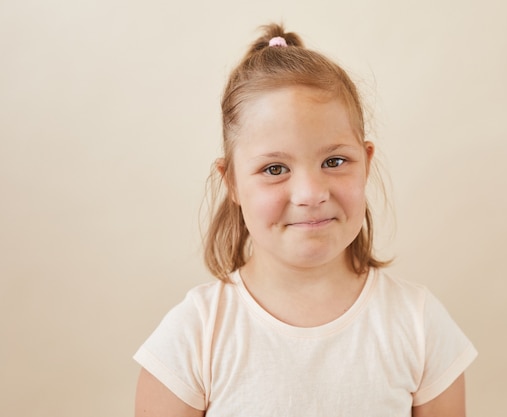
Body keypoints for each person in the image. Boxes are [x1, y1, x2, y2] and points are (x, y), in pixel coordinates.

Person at [134, 23, 477, 417]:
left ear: (366, 163)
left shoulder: (419, 325)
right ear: (231, 181)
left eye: (334, 161)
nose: (311, 193)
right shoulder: (193, 336)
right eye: (275, 168)